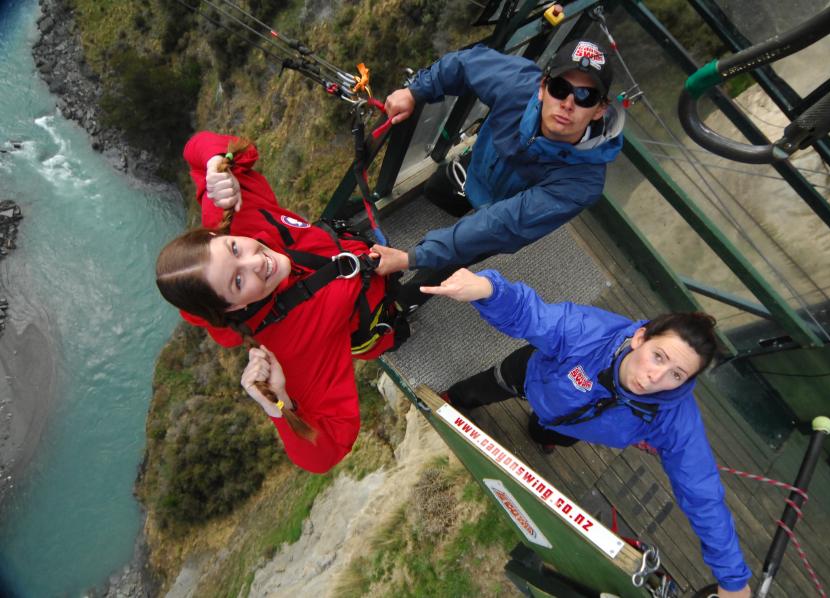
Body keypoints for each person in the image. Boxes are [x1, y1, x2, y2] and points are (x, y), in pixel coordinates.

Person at [422, 268, 752, 598]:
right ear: (640, 338)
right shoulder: (587, 331)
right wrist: (489, 289)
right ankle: (450, 401)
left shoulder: (674, 418)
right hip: (530, 379)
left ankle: (543, 433)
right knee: (478, 390)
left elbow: (701, 492)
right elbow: (532, 314)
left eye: (676, 374)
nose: (656, 377)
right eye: (658, 356)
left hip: (577, 427)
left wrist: (733, 581)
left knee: (545, 433)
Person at [156, 131, 409, 474]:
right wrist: (278, 404)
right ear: (231, 308)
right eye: (238, 281)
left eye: (235, 249)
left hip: (360, 248)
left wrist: (216, 166)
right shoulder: (290, 348)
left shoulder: (236, 218)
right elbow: (325, 453)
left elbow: (200, 148)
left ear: (220, 235)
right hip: (389, 306)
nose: (256, 262)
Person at [371, 35, 625, 295]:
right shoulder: (517, 85)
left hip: (506, 214)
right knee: (436, 191)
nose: (568, 104)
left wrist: (412, 257)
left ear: (600, 109)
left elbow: (501, 225)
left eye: (585, 96)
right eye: (560, 88)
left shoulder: (582, 181)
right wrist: (415, 91)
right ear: (542, 87)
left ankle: (406, 298)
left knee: (446, 265)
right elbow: (466, 63)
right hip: (479, 170)